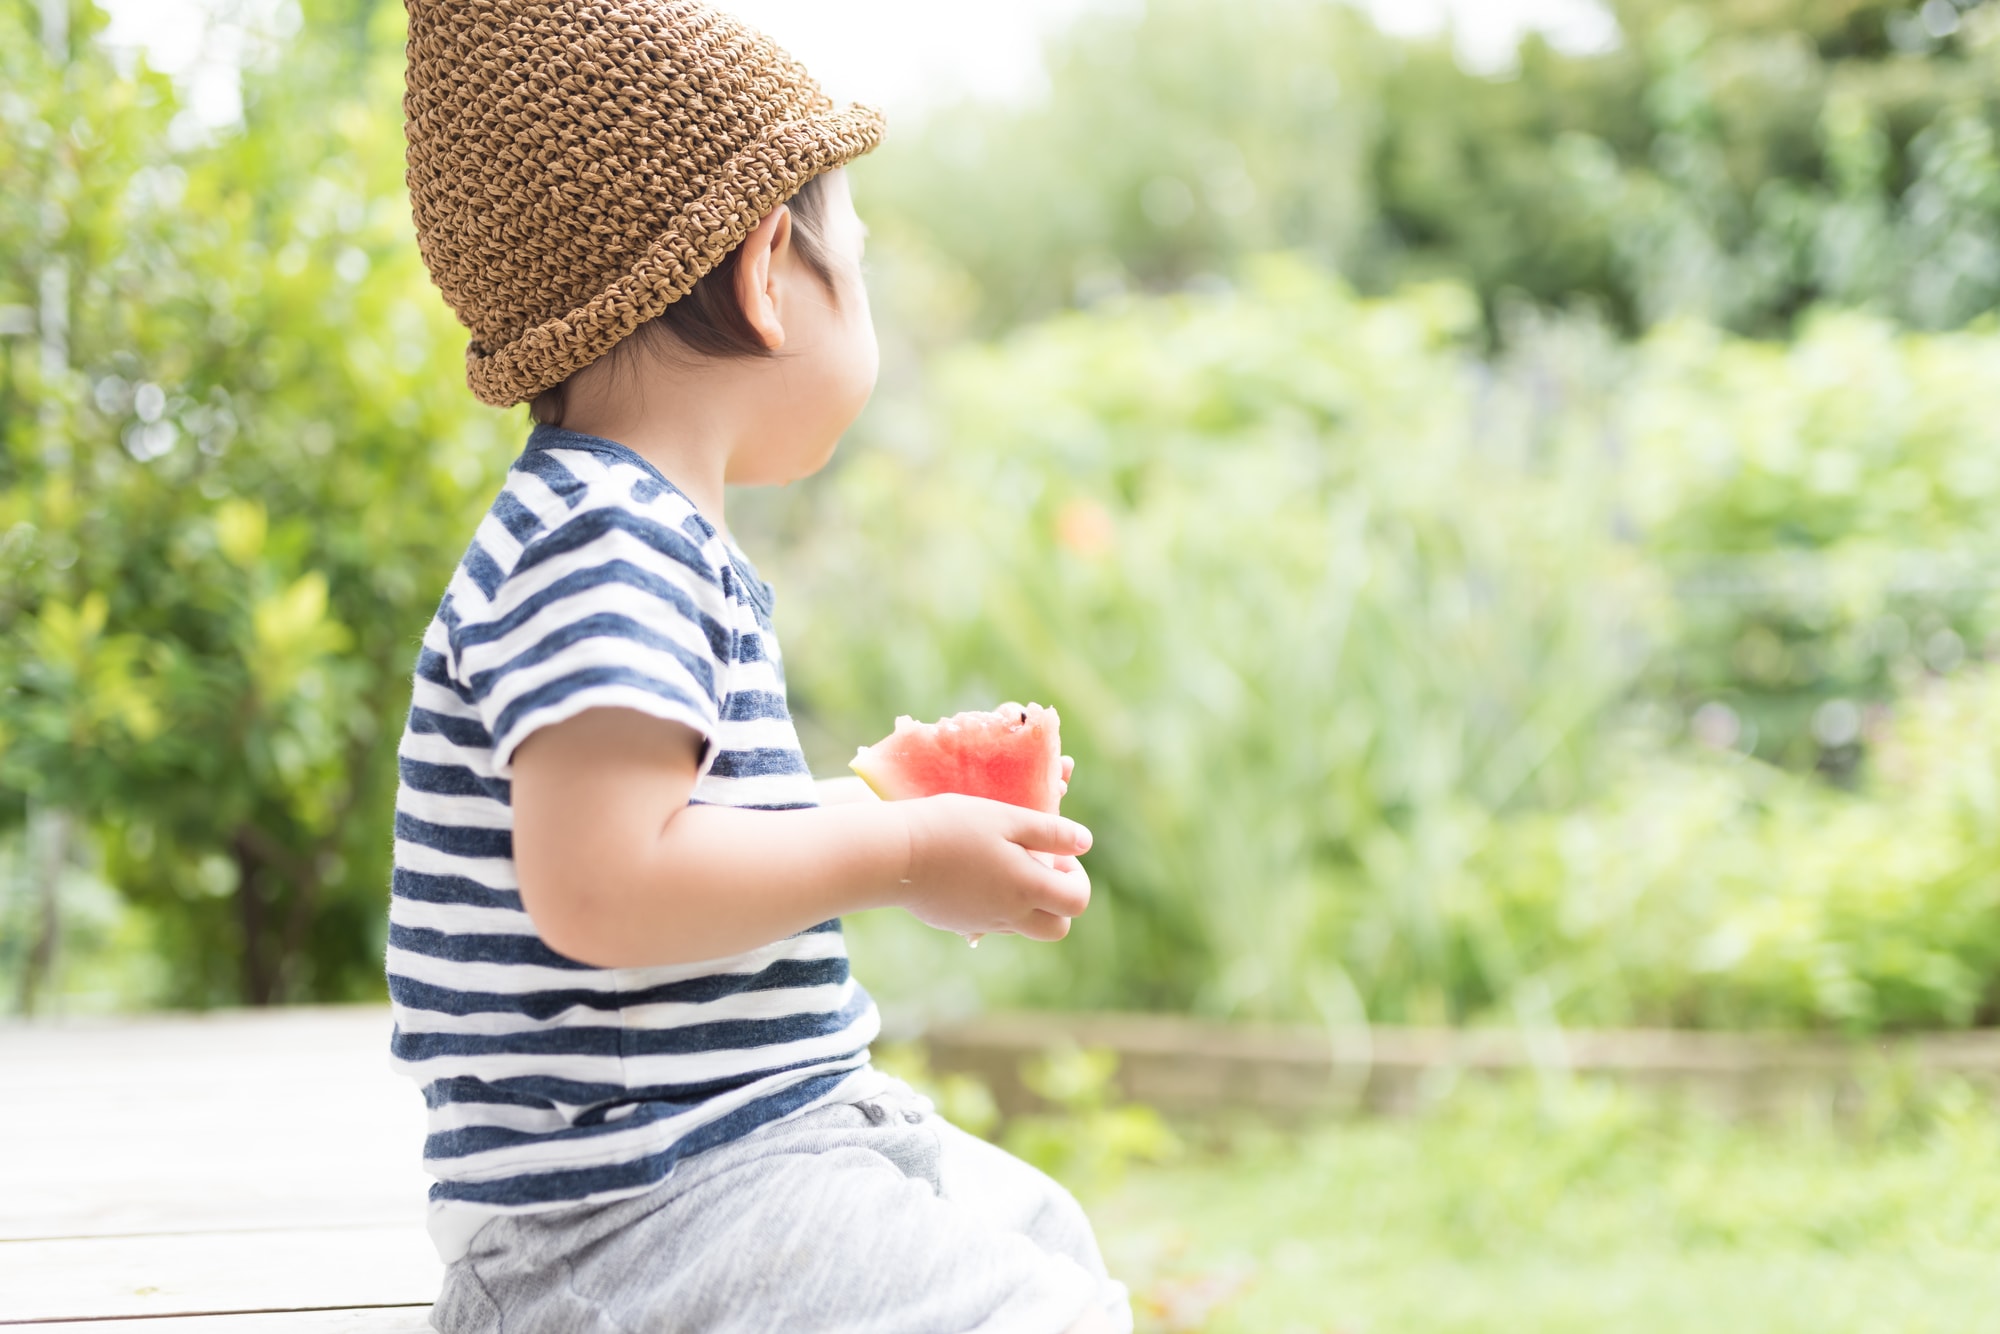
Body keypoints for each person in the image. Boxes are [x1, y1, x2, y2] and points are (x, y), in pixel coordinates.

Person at [388, 2, 1128, 1330]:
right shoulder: (605, 540)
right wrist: (897, 856)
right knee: (1036, 1313)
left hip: (721, 1163)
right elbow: (605, 888)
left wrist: (915, 820)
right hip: (625, 1224)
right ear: (765, 272)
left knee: (1047, 1239)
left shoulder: (630, 528)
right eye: (860, 259)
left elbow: (689, 840)